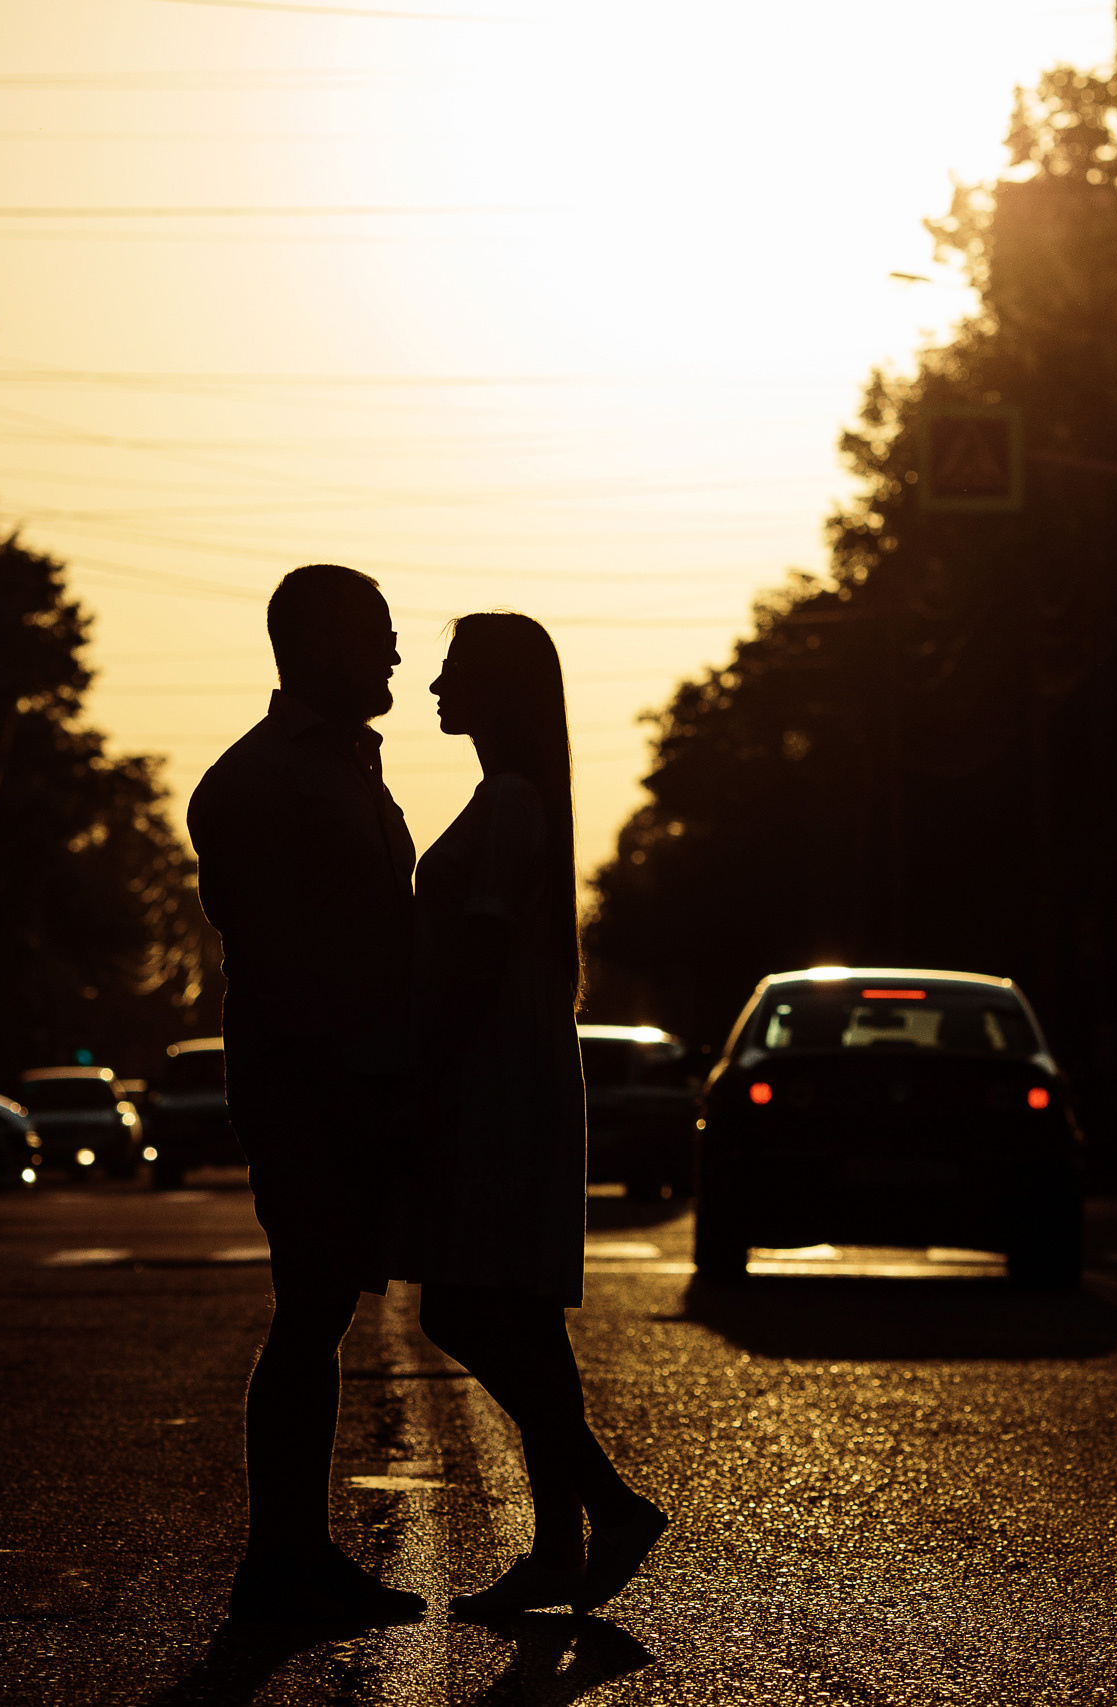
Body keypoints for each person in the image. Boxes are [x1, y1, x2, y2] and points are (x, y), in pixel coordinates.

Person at [397, 610, 667, 1618]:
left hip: (494, 1079)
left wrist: (423, 1073)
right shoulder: (509, 799)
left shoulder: (510, 802)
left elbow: (476, 955)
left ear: (498, 688)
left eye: (452, 669)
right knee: (514, 1315)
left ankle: (606, 1506)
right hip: (505, 1071)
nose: (432, 686)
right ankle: (561, 1546)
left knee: (463, 1305)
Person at [186, 564, 427, 1626]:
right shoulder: (256, 784)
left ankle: (294, 1554)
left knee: (318, 1313)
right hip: (310, 1088)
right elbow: (280, 968)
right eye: (376, 633)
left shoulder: (349, 768)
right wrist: (345, 1093)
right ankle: (277, 1563)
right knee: (309, 1312)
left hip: (356, 1085)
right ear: (315, 643)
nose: (393, 654)